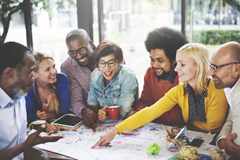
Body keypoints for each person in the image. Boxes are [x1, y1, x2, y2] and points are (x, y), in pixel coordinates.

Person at [91, 43, 229, 148]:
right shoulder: (180, 90)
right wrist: (115, 131)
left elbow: (212, 126)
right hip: (195, 139)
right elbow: (151, 111)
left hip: (216, 143)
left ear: (198, 66)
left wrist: (187, 124)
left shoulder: (217, 88)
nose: (176, 69)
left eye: (182, 64)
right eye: (177, 63)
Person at [0, 42, 63, 160]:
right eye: (29, 72)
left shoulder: (19, 97)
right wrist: (27, 144)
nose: (34, 78)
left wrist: (40, 155)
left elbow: (18, 146)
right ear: (9, 72)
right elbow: (23, 145)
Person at [127, 27, 188, 123]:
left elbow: (177, 116)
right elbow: (145, 101)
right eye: (152, 59)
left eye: (160, 60)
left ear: (174, 60)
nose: (154, 65)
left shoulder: (184, 78)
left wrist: (146, 115)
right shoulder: (150, 73)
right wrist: (137, 112)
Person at [208, 42, 240, 159]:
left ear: (236, 68)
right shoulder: (233, 85)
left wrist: (223, 143)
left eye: (215, 68)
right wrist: (222, 141)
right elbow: (230, 120)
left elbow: (238, 147)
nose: (209, 73)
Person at [87, 40, 138, 121]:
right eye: (102, 63)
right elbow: (91, 103)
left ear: (119, 62)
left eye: (111, 62)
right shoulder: (95, 75)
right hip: (104, 123)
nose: (107, 68)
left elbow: (123, 112)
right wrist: (99, 112)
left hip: (124, 122)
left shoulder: (127, 76)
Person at [61, 29, 98, 132]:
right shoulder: (67, 67)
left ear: (90, 43)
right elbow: (75, 99)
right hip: (92, 118)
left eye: (82, 49)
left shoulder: (109, 53)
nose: (78, 56)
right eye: (72, 53)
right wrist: (84, 111)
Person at [25, 52, 71, 132]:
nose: (54, 71)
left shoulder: (62, 79)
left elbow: (65, 110)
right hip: (41, 128)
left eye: (53, 66)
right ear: (35, 74)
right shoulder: (29, 86)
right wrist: (44, 125)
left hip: (62, 124)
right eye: (47, 69)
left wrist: (50, 116)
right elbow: (30, 114)